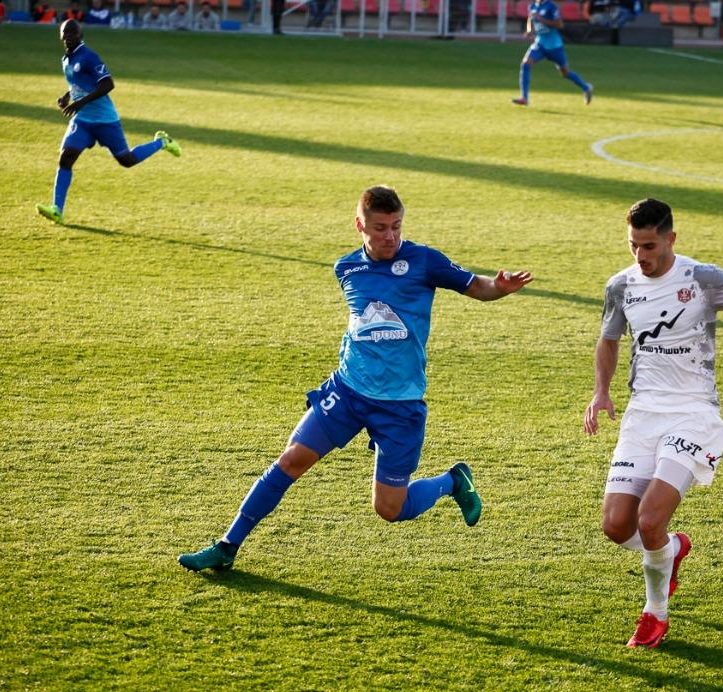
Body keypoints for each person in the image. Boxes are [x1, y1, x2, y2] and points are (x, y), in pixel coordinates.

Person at [178, 186, 534, 573]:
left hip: (399, 406)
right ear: (360, 226)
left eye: (397, 226)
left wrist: (499, 287)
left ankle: (452, 481)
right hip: (347, 392)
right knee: (291, 460)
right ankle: (227, 546)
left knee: (390, 509)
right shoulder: (346, 268)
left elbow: (476, 286)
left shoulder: (424, 260)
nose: (390, 236)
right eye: (380, 228)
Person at [583, 198, 723, 649]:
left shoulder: (701, 278)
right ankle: (671, 550)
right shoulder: (621, 286)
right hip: (643, 414)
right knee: (616, 525)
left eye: (649, 245)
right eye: (634, 245)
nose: (641, 255)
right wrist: (601, 392)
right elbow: (609, 340)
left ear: (671, 238)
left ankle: (654, 615)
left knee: (650, 518)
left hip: (694, 413)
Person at [35, 20, 182, 226]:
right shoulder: (67, 59)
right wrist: (67, 97)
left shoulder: (89, 57)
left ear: (80, 35)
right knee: (66, 157)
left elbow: (107, 83)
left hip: (105, 120)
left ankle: (162, 142)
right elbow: (78, 82)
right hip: (83, 120)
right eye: (64, 33)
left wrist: (81, 102)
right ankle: (57, 209)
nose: (68, 36)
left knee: (126, 160)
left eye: (72, 33)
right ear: (60, 36)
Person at [512, 0, 593, 108]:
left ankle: (586, 87)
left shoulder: (551, 6)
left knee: (565, 73)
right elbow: (530, 18)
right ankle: (524, 98)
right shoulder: (532, 6)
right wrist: (529, 30)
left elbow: (559, 24)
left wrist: (541, 19)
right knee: (525, 64)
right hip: (540, 44)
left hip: (554, 46)